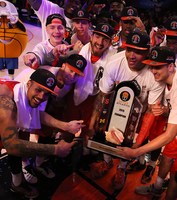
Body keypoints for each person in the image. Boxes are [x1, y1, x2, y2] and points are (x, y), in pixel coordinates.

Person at [0, 69, 84, 198]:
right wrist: (55, 149)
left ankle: (17, 184)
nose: (41, 97)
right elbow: (12, 146)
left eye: (46, 94)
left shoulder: (21, 91)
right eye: (38, 90)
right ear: (28, 84)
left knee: (18, 139)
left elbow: (39, 114)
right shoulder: (6, 100)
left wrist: (66, 125)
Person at [117, 46, 177, 199]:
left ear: (171, 66)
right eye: (152, 66)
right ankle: (157, 188)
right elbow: (167, 109)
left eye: (158, 67)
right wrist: (165, 111)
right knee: (166, 158)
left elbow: (168, 136)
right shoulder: (164, 79)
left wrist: (136, 152)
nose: (153, 71)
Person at [89, 31, 166, 190]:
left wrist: (138, 143)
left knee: (129, 144)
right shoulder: (114, 62)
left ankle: (121, 169)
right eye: (129, 50)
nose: (131, 56)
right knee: (106, 135)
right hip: (112, 109)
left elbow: (151, 110)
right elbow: (103, 95)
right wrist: (92, 123)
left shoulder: (154, 73)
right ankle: (107, 162)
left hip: (139, 114)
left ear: (148, 52)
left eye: (138, 52)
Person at [49, 23, 116, 171]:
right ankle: (61, 155)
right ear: (91, 36)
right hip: (74, 95)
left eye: (105, 39)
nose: (100, 42)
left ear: (110, 43)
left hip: (94, 99)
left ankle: (85, 158)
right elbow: (55, 65)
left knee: (88, 132)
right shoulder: (78, 54)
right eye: (97, 36)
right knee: (67, 129)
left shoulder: (113, 60)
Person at [15, 54, 87, 184]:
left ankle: (38, 164)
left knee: (47, 133)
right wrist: (64, 126)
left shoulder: (67, 84)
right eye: (71, 71)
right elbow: (39, 111)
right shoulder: (47, 76)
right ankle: (24, 165)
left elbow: (48, 108)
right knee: (22, 135)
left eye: (77, 74)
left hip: (40, 109)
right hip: (21, 104)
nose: (72, 76)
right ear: (63, 65)